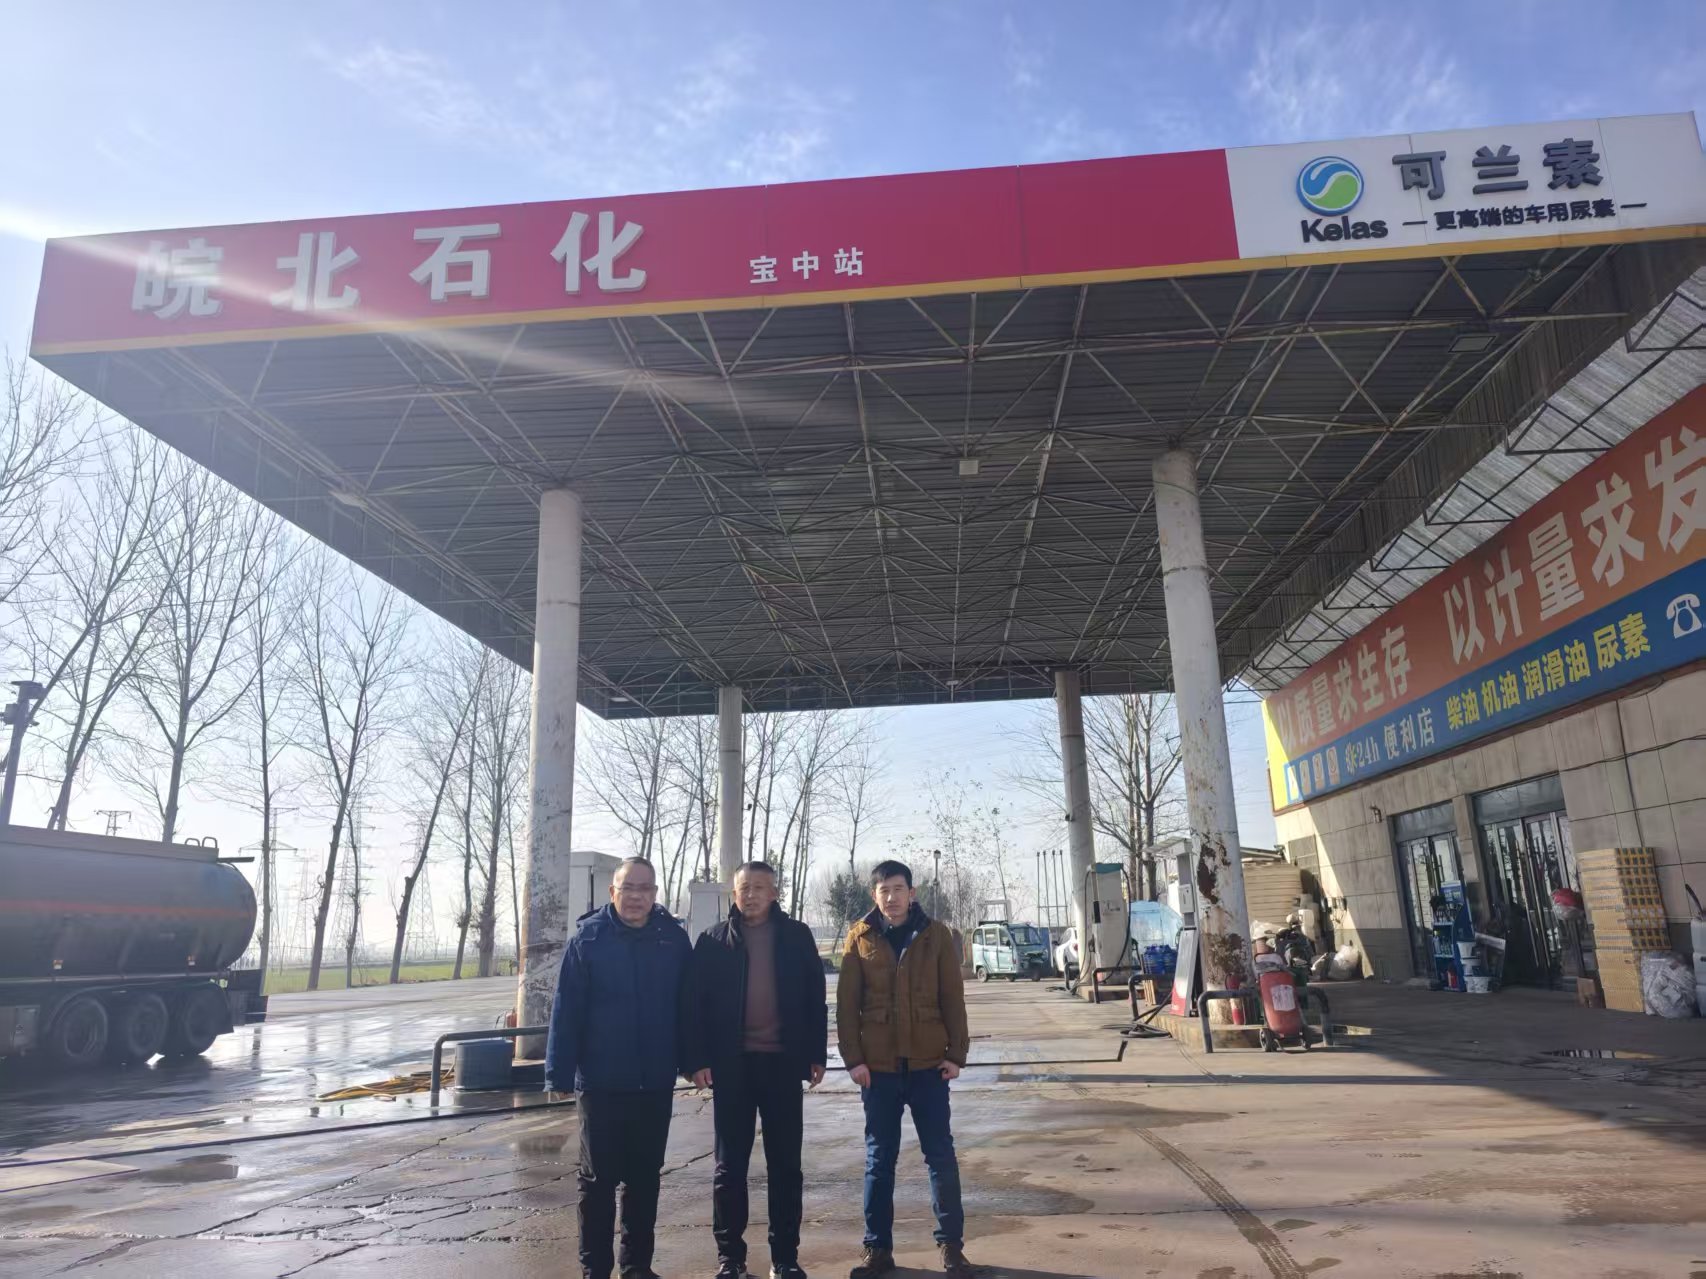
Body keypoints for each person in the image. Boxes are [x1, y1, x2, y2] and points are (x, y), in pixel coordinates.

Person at [545, 856, 691, 1279]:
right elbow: (566, 1010)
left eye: (644, 888)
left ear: (655, 894)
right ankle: (595, 1269)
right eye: (628, 888)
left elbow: (689, 1007)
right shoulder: (588, 941)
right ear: (613, 892)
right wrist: (558, 1072)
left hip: (654, 1083)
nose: (636, 897)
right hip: (600, 1085)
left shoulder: (672, 940)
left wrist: (694, 1061)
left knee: (645, 1179)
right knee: (597, 1181)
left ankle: (636, 1266)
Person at [684, 861, 828, 1279]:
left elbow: (814, 998)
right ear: (734, 893)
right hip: (732, 1068)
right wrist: (696, 1061)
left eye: (759, 887)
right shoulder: (712, 941)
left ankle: (785, 1258)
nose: (751, 895)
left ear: (774, 893)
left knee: (786, 1167)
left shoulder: (796, 936)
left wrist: (816, 1053)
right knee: (730, 1168)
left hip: (782, 1065)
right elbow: (694, 1006)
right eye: (744, 888)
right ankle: (731, 1259)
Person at [837, 860, 973, 1279]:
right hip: (878, 1071)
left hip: (929, 1067)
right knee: (879, 1160)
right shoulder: (859, 938)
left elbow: (952, 997)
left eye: (899, 889)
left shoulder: (937, 936)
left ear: (912, 893)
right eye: (884, 890)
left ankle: (952, 1248)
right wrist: (854, 1060)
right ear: (874, 895)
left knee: (940, 1156)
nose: (892, 897)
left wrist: (956, 1054)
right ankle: (877, 1250)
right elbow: (846, 1006)